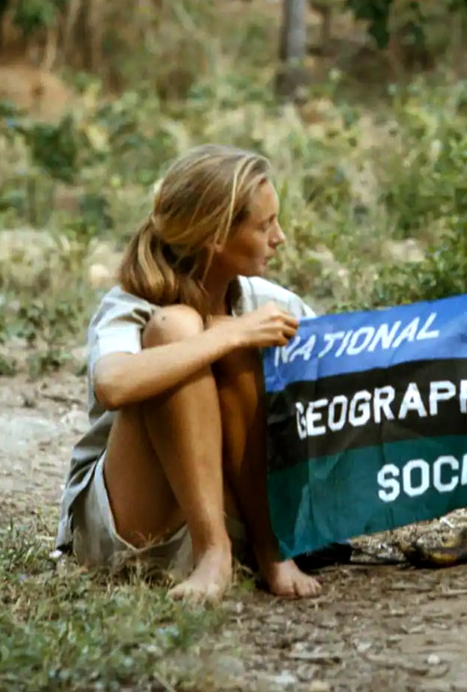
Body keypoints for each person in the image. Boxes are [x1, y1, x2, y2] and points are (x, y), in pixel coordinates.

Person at [53, 144, 323, 604]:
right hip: (130, 524)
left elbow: (340, 373)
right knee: (178, 327)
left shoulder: (262, 300)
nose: (280, 237)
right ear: (215, 236)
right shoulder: (131, 303)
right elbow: (114, 383)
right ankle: (212, 552)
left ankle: (269, 548)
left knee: (237, 340)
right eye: (264, 226)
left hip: (233, 504)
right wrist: (227, 335)